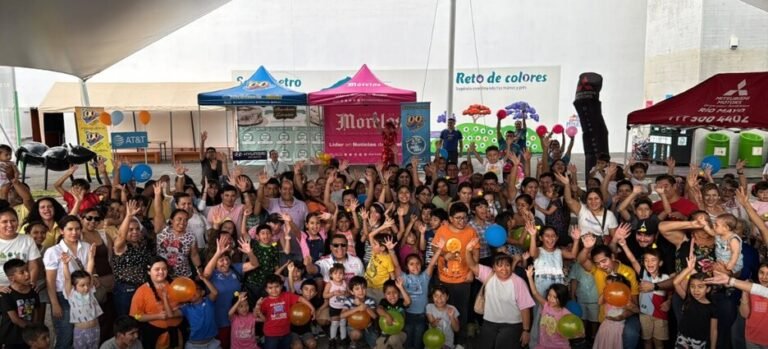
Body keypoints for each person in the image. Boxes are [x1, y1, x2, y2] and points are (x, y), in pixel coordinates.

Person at [44, 215, 93, 349]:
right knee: (65, 336)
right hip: (62, 297)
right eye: (70, 229)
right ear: (61, 231)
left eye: (77, 229)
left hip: (83, 296)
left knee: (80, 336)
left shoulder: (86, 247)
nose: (74, 233)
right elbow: (50, 280)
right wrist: (54, 303)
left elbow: (89, 270)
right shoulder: (53, 252)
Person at [202, 235, 258, 349]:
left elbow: (255, 264)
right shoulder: (212, 273)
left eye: (227, 259)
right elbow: (205, 274)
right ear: (215, 262)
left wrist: (249, 252)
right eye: (221, 260)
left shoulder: (235, 268)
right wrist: (218, 253)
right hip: (219, 319)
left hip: (238, 319)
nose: (225, 262)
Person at [129, 256, 184, 349]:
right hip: (155, 333)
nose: (161, 272)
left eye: (164, 269)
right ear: (149, 271)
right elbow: (136, 316)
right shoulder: (142, 291)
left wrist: (177, 312)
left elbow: (188, 304)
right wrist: (157, 316)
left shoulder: (176, 284)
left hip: (178, 330)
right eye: (157, 269)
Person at [257, 274, 315, 349]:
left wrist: (312, 308)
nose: (274, 290)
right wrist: (257, 305)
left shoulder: (287, 296)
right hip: (271, 334)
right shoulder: (265, 301)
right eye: (270, 288)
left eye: (277, 287)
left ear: (281, 286)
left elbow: (300, 299)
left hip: (286, 333)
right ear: (266, 289)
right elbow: (258, 315)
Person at [61, 245, 102, 349]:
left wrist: (91, 256)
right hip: (81, 332)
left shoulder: (90, 291)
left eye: (88, 284)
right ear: (74, 286)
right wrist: (65, 264)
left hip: (95, 329)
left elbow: (89, 270)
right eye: (82, 285)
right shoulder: (71, 294)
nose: (86, 287)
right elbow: (67, 279)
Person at [673, 254, 717, 348]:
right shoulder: (688, 299)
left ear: (708, 289)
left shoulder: (712, 308)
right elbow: (675, 282)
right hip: (682, 338)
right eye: (692, 286)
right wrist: (688, 269)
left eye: (700, 287)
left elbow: (713, 330)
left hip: (699, 342)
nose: (696, 290)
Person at [524, 267, 573, 349]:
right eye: (549, 295)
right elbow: (535, 293)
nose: (551, 299)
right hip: (543, 345)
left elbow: (570, 331)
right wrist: (529, 277)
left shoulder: (566, 313)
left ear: (562, 298)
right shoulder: (546, 306)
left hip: (560, 346)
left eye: (555, 297)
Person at [0, 258, 42, 348]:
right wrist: (32, 329)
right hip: (12, 338)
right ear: (12, 278)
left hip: (29, 338)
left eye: (27, 270)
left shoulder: (33, 291)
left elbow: (36, 312)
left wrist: (34, 333)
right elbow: (15, 320)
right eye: (22, 272)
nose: (27, 274)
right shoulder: (6, 294)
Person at [172, 278, 221, 349]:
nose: (192, 292)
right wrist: (165, 299)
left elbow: (215, 292)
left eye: (195, 289)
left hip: (212, 342)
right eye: (189, 290)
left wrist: (204, 279)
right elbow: (171, 314)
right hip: (194, 345)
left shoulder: (208, 301)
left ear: (202, 292)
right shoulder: (186, 308)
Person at [340, 276, 378, 349]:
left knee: (376, 345)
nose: (361, 291)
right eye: (357, 289)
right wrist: (357, 308)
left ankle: (363, 342)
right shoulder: (349, 300)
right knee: (356, 334)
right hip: (354, 327)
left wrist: (364, 306)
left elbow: (374, 316)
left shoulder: (370, 300)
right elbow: (342, 315)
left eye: (363, 288)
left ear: (366, 289)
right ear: (351, 292)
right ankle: (354, 342)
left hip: (368, 327)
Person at [374, 278, 411, 349]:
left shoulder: (400, 302)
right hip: (385, 333)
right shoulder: (384, 302)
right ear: (384, 295)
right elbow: (378, 309)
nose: (392, 296)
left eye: (395, 292)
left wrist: (401, 288)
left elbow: (408, 302)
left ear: (399, 293)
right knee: (380, 345)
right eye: (388, 293)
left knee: (393, 340)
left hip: (400, 332)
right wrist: (387, 316)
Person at [324, 263, 348, 348]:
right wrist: (333, 293)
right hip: (334, 307)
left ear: (343, 274)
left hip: (344, 308)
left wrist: (345, 293)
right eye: (335, 273)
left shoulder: (345, 283)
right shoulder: (330, 284)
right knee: (334, 323)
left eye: (340, 273)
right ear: (331, 275)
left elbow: (349, 294)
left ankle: (343, 339)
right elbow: (324, 295)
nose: (338, 275)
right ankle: (332, 340)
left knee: (343, 323)